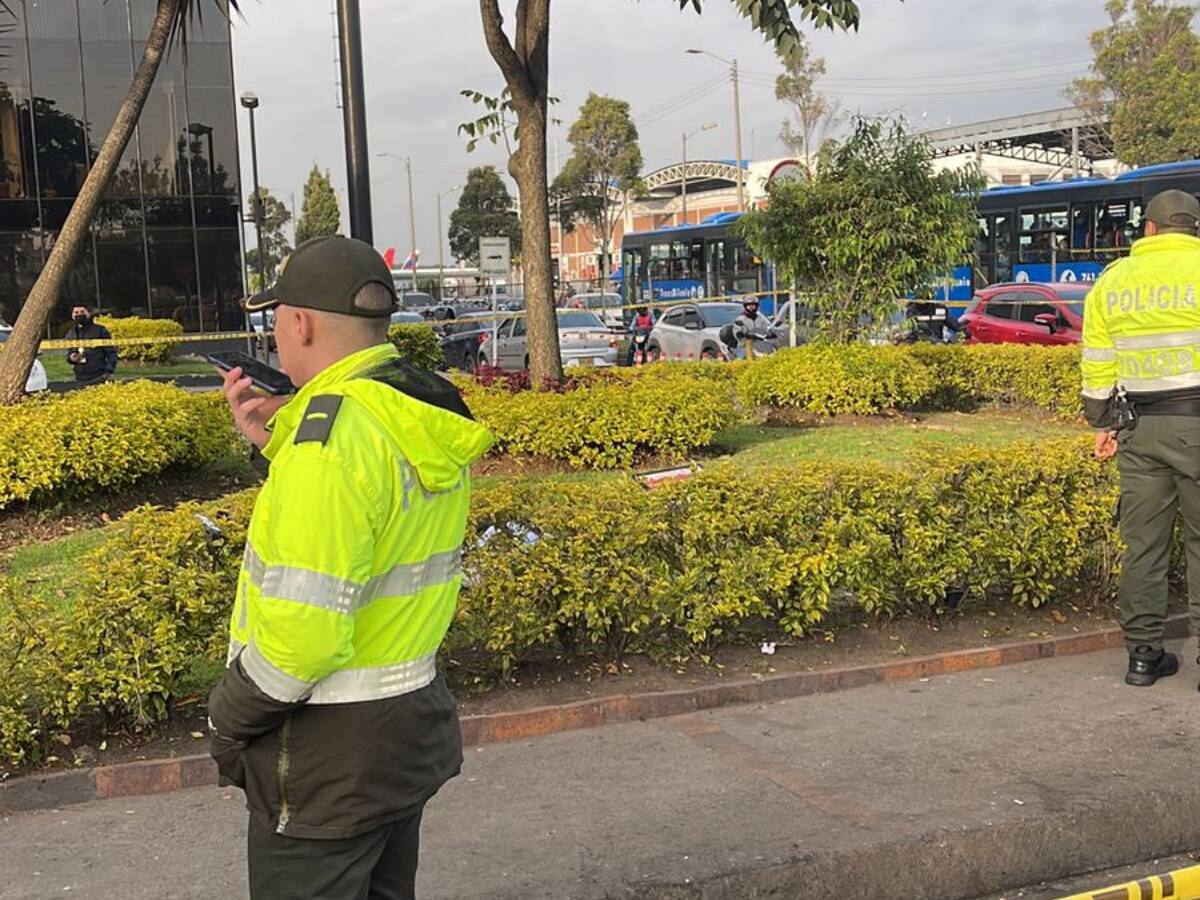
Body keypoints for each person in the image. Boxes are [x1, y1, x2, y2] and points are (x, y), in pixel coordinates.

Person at [207, 235, 495, 900]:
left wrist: (227, 717)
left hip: (325, 762)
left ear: (300, 322)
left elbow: (303, 638)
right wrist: (274, 444)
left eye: (275, 318)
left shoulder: (328, 442)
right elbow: (372, 530)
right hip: (403, 734)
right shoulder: (411, 409)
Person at [1082, 189, 1200, 688]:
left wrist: (1104, 422)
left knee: (1144, 547)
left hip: (1138, 430)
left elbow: (1097, 364)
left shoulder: (1113, 282)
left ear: (1148, 230)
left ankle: (1143, 658)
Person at [65, 304, 117, 385]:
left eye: (82, 312)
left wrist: (108, 371)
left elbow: (111, 352)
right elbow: (69, 353)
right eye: (76, 312)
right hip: (80, 378)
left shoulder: (100, 330)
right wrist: (72, 357)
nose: (79, 314)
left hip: (99, 376)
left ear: (88, 313)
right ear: (72, 315)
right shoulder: (70, 334)